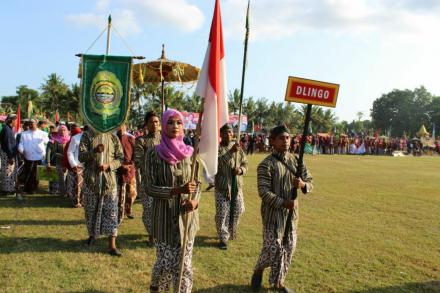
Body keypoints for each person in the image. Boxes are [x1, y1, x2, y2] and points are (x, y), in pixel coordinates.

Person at [251, 125, 313, 293]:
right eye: (281, 138)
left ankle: (278, 282)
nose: (285, 141)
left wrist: (302, 184)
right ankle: (258, 269)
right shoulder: (266, 165)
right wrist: (284, 203)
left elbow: (310, 182)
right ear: (272, 141)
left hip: (291, 217)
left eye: (287, 138)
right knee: (273, 249)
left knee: (288, 248)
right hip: (272, 216)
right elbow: (263, 192)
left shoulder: (296, 161)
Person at [145, 109, 200, 293]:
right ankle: (156, 287)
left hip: (187, 219)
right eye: (170, 122)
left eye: (179, 122)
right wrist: (176, 190)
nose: (175, 126)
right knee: (165, 263)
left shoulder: (190, 154)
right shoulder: (153, 154)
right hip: (164, 219)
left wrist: (195, 202)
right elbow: (149, 187)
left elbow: (197, 183)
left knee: (184, 265)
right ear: (163, 125)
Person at [79, 127, 124, 256]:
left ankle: (112, 245)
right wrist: (94, 151)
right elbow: (81, 156)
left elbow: (120, 158)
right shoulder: (87, 136)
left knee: (111, 212)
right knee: (90, 210)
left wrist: (109, 166)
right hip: (91, 180)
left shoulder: (113, 137)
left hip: (109, 181)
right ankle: (92, 235)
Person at [214, 123, 248, 249]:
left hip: (236, 186)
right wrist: (230, 152)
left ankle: (230, 230)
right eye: (224, 133)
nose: (227, 135)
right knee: (222, 213)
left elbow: (245, 163)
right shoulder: (217, 149)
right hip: (223, 187)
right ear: (220, 135)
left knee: (238, 210)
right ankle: (223, 238)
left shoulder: (238, 148)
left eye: (229, 132)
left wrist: (240, 170)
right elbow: (218, 163)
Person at [134, 111, 161, 245]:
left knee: (162, 209)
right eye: (151, 122)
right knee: (149, 209)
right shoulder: (141, 141)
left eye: (156, 122)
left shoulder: (165, 139)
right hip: (148, 181)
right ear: (146, 124)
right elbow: (138, 161)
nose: (154, 124)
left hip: (164, 181)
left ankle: (160, 233)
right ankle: (151, 235)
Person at [17, 119, 49, 194]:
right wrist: (20, 149)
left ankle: (34, 187)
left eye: (33, 123)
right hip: (27, 156)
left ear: (36, 124)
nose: (31, 125)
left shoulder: (43, 133)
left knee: (36, 173)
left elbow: (47, 142)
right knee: (28, 172)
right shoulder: (24, 134)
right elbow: (21, 143)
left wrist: (44, 140)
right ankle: (28, 188)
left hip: (38, 156)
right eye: (30, 124)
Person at [116, 123, 137, 220]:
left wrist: (131, 165)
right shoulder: (113, 138)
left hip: (129, 169)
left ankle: (128, 210)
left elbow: (135, 153)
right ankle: (119, 212)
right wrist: (120, 166)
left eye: (122, 126)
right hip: (116, 169)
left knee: (130, 192)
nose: (120, 128)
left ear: (125, 126)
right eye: (118, 126)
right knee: (118, 192)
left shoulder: (131, 138)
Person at [46, 125, 70, 195]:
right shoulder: (56, 140)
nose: (62, 132)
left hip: (69, 161)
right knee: (60, 177)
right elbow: (53, 151)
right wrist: (48, 161)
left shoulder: (70, 139)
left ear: (67, 131)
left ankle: (68, 192)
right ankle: (62, 192)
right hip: (59, 161)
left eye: (64, 130)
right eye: (61, 130)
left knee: (68, 177)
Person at [65, 125, 83, 207]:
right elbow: (70, 152)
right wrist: (73, 164)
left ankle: (85, 201)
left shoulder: (94, 138)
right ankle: (77, 202)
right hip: (78, 165)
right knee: (77, 185)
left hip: (89, 165)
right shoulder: (75, 138)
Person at [0, 114, 18, 196]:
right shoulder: (7, 129)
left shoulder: (9, 129)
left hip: (9, 153)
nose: (17, 122)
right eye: (16, 120)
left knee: (9, 171)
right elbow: (8, 144)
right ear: (12, 121)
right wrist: (10, 157)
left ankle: (8, 189)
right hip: (8, 154)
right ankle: (7, 190)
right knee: (8, 172)